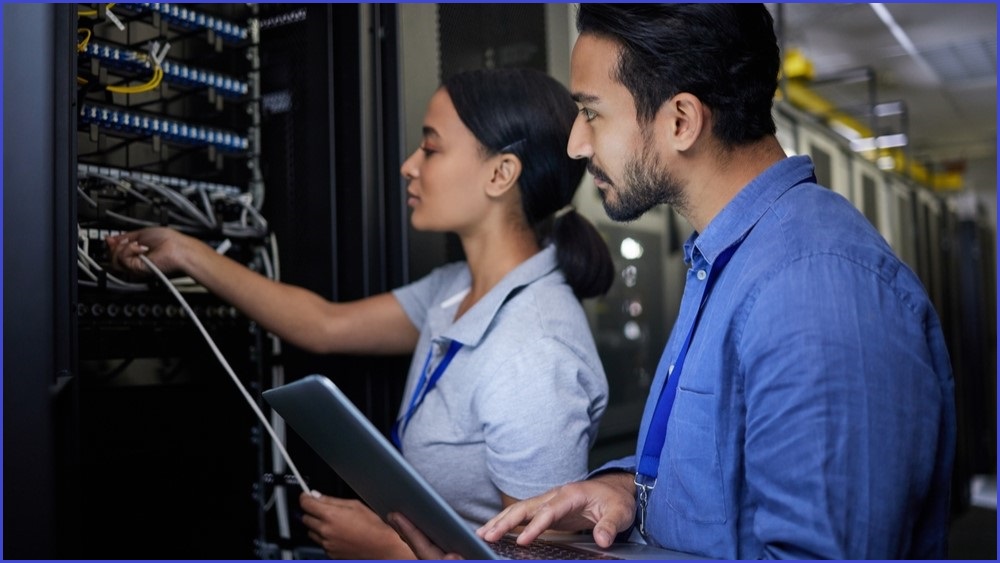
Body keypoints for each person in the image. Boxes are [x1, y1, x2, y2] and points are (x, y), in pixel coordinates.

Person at [390, 4, 957, 560]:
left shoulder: (817, 288)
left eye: (591, 113)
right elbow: (726, 476)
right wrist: (628, 490)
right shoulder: (731, 261)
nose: (575, 145)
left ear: (681, 121)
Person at [107, 67, 615, 559]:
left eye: (431, 147)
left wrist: (390, 550)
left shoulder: (533, 352)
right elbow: (324, 325)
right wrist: (185, 253)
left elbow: (539, 560)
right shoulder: (458, 288)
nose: (409, 165)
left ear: (501, 173)